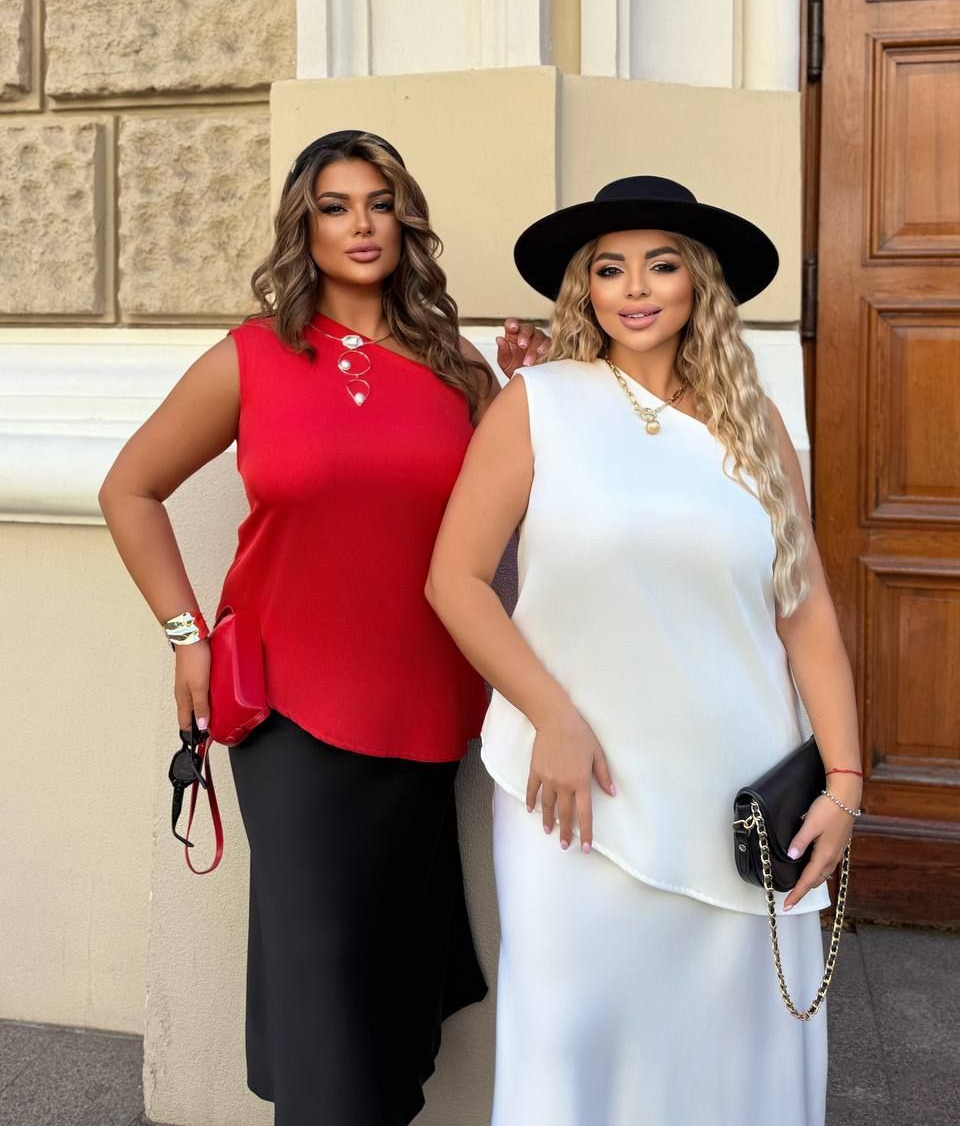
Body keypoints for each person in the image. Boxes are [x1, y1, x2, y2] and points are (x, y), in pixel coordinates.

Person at [98, 129, 549, 1126]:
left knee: (388, 973)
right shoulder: (251, 356)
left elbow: (508, 524)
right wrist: (184, 634)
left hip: (426, 707)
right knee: (321, 971)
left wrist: (535, 396)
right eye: (336, 206)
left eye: (379, 203)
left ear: (405, 220)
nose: (361, 224)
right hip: (288, 709)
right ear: (304, 225)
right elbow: (128, 488)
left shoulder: (459, 369)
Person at [425, 176, 863, 1126]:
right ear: (583, 289)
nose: (634, 287)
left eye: (660, 265)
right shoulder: (538, 403)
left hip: (739, 798)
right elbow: (454, 580)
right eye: (609, 268)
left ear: (698, 281)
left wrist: (844, 782)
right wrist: (551, 715)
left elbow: (807, 614)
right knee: (574, 1037)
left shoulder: (757, 426)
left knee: (729, 1048)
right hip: (578, 794)